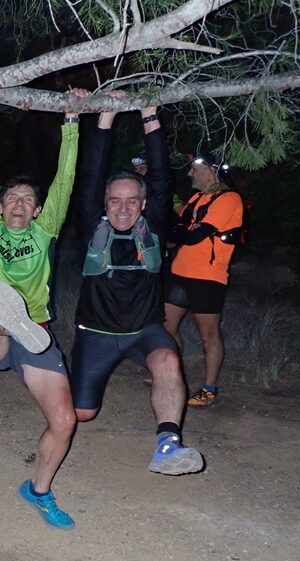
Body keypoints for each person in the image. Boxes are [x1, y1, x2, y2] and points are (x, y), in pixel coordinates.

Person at [0, 95, 82, 529]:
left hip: (36, 332)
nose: (17, 204)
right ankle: (6, 317)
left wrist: (72, 122)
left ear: (38, 210)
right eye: (10, 197)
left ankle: (39, 491)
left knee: (64, 419)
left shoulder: (46, 230)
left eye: (27, 199)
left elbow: (65, 180)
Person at [70, 100, 204, 477]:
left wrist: (149, 115)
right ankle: (49, 374)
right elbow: (91, 175)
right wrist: (106, 116)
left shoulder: (154, 227)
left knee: (168, 359)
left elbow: (161, 177)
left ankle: (167, 445)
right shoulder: (91, 226)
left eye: (132, 201)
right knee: (83, 412)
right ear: (105, 203)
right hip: (96, 332)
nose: (124, 209)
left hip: (144, 330)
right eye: (115, 201)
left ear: (144, 204)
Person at [163, 151, 244, 407]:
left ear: (211, 170)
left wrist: (171, 233)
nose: (189, 173)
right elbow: (183, 217)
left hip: (208, 277)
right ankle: (172, 374)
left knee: (209, 335)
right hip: (180, 272)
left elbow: (193, 235)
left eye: (194, 169)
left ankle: (209, 390)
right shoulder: (199, 197)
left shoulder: (229, 199)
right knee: (164, 326)